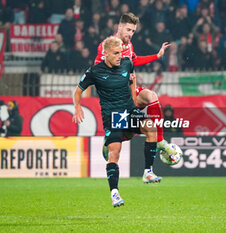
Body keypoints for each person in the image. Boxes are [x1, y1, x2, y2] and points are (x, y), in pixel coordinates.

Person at [73, 37, 162, 207]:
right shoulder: (94, 72)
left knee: (151, 128)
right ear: (105, 54)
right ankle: (115, 193)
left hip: (129, 110)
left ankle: (148, 172)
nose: (119, 56)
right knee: (115, 152)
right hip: (113, 116)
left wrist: (134, 101)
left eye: (121, 52)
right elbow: (78, 91)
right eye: (115, 53)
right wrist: (77, 107)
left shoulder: (127, 63)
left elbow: (131, 80)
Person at [94, 13, 177, 159]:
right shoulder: (106, 46)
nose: (130, 34)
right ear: (119, 27)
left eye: (133, 31)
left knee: (151, 96)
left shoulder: (128, 45)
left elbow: (134, 60)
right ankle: (110, 141)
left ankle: (159, 141)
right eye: (128, 30)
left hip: (130, 90)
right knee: (129, 132)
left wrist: (156, 56)